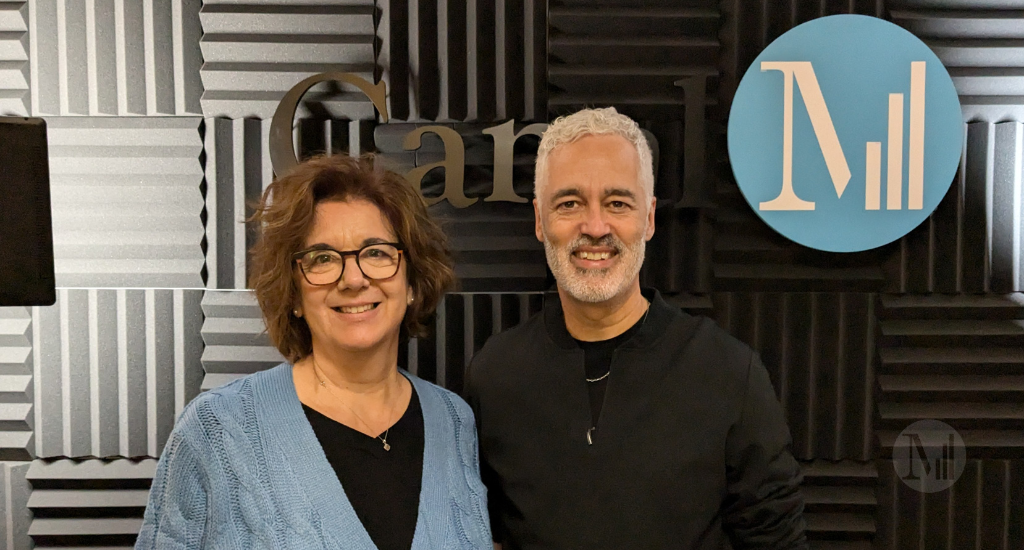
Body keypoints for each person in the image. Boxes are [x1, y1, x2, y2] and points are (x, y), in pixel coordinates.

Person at [464, 108, 809, 549]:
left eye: (617, 203)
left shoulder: (727, 372)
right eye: (569, 203)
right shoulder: (495, 374)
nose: (594, 227)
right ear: (539, 220)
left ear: (648, 219)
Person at [137, 154, 492, 549]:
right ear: (294, 295)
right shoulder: (218, 430)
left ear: (412, 283)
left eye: (376, 252)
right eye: (322, 258)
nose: (354, 279)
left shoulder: (455, 422)